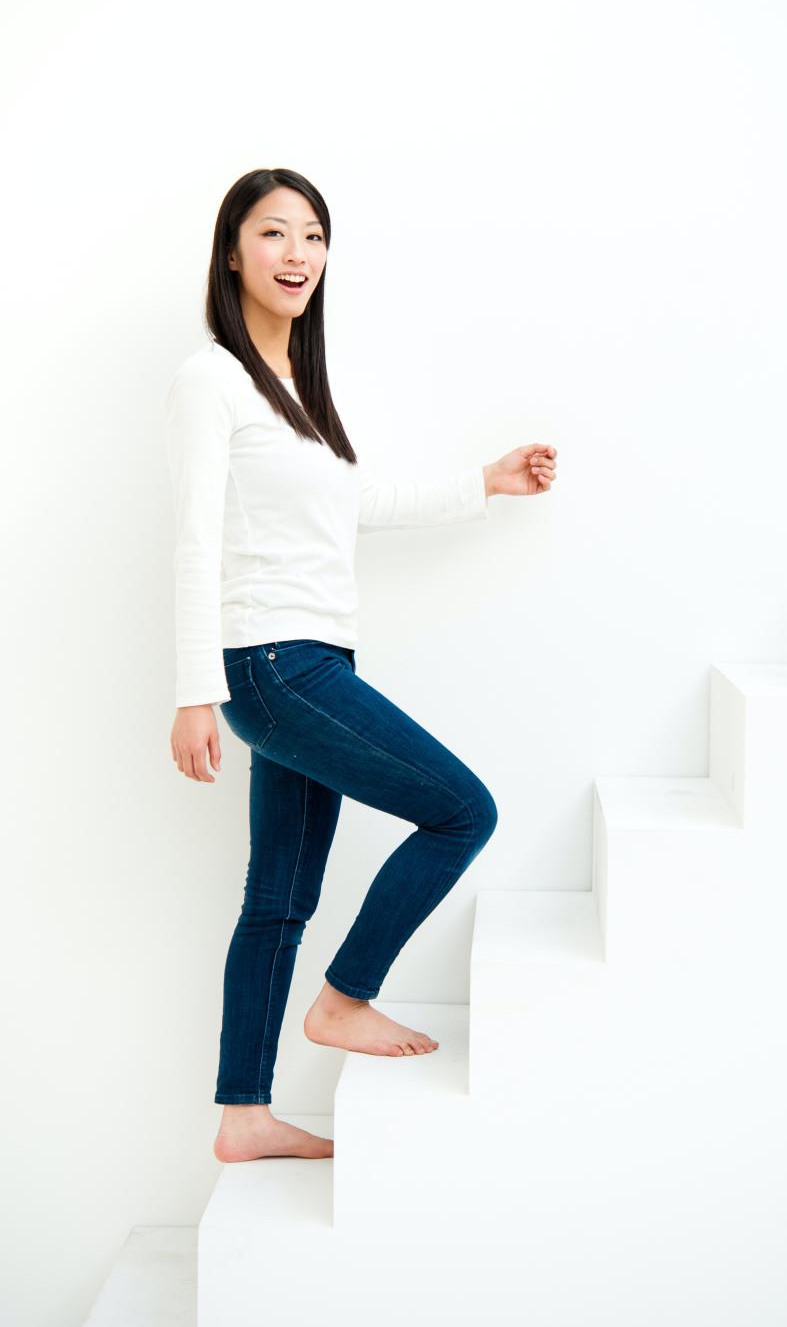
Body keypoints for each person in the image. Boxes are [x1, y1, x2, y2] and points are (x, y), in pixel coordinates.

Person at [164, 167, 558, 1164]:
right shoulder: (210, 377)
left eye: (313, 237)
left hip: (304, 659)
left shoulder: (299, 392)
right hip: (273, 666)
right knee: (463, 808)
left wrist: (487, 484)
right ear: (232, 253)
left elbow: (359, 504)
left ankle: (243, 1117)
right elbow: (191, 539)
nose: (297, 254)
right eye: (274, 234)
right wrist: (192, 693)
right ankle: (344, 1000)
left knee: (277, 899)